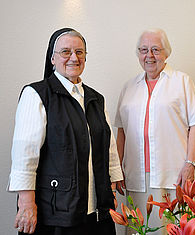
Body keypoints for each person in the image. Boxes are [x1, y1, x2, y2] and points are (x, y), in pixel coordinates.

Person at [7, 28, 123, 235]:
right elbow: (25, 155)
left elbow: (110, 150)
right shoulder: (36, 94)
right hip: (56, 210)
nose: (73, 58)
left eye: (79, 52)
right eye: (65, 52)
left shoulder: (96, 99)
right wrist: (26, 203)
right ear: (52, 58)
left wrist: (111, 190)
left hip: (97, 210)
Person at [114, 28, 195, 234]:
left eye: (155, 49)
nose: (149, 55)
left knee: (170, 228)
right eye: (143, 50)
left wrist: (190, 164)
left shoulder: (182, 81)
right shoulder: (129, 87)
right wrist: (116, 167)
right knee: (139, 228)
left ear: (167, 52)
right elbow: (122, 131)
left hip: (174, 174)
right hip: (136, 175)